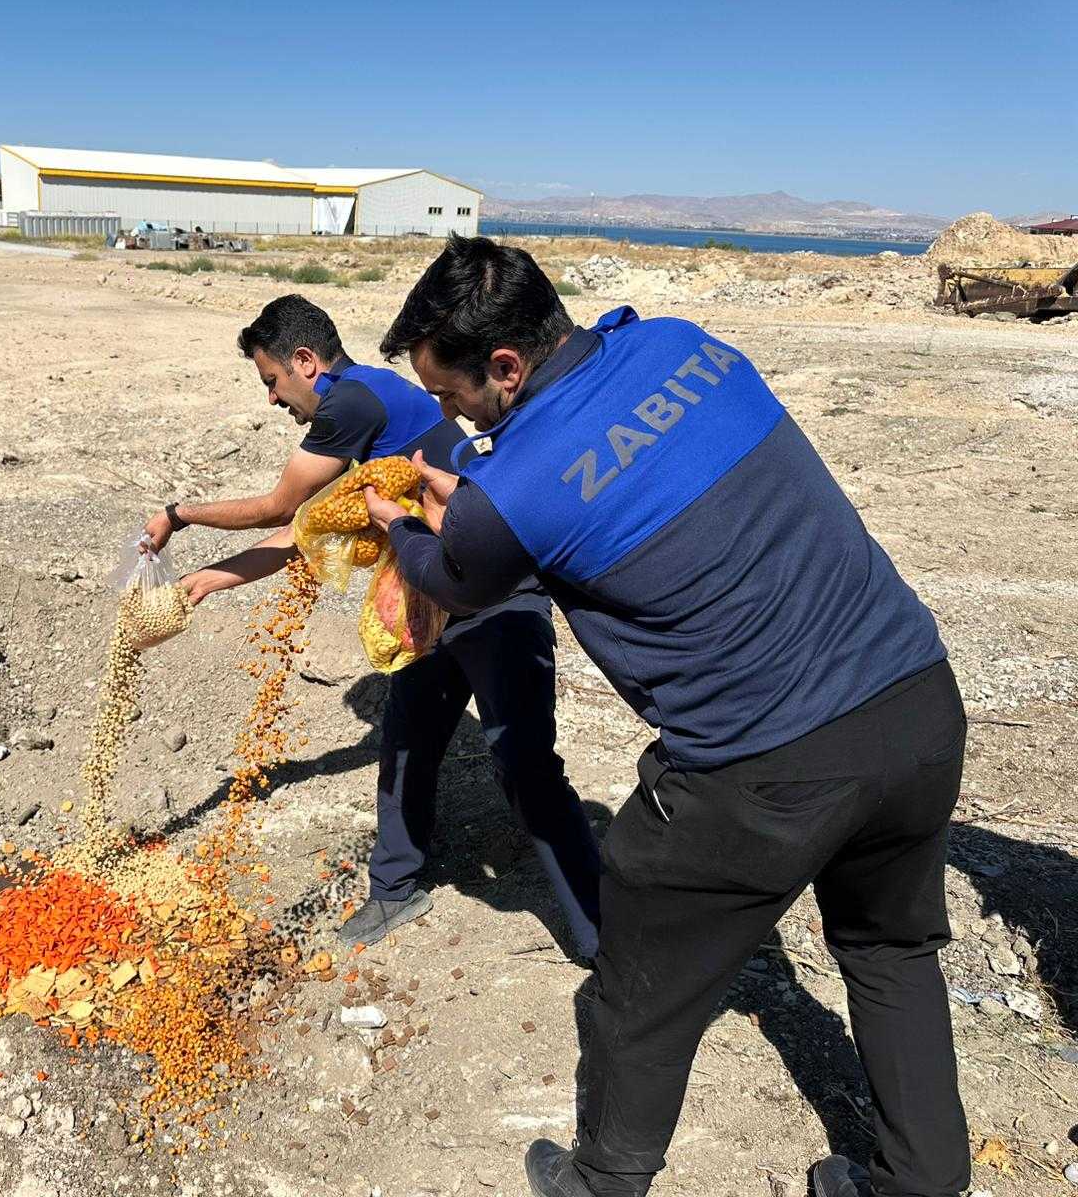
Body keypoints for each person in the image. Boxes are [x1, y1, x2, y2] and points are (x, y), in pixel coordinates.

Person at [360, 234, 968, 1197]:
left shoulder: (505, 497)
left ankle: (602, 1181)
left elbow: (454, 574)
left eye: (450, 393)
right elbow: (601, 465)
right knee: (891, 951)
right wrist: (478, 501)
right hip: (915, 701)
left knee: (637, 987)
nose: (445, 414)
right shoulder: (685, 344)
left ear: (506, 366)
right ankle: (924, 1184)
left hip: (761, 771)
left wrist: (401, 525)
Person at [142, 294, 601, 954]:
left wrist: (177, 514)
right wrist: (209, 580)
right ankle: (395, 889)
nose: (272, 399)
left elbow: (279, 507)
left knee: (526, 766)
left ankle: (604, 935)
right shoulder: (365, 406)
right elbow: (302, 532)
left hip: (496, 592)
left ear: (305, 361)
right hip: (430, 592)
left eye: (272, 380)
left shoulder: (352, 402)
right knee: (406, 740)